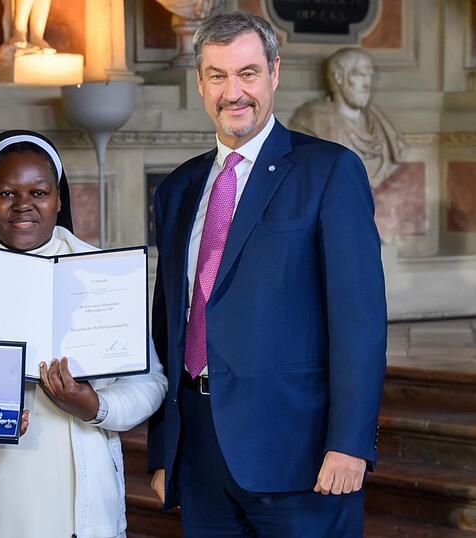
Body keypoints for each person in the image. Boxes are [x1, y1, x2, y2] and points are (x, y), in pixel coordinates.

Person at [147, 12, 387, 536]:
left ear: (274, 73)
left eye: (248, 73)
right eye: (218, 75)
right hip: (202, 453)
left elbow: (359, 324)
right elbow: (168, 327)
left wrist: (348, 442)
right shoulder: (179, 189)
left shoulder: (328, 171)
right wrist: (166, 450)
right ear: (200, 82)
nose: (234, 92)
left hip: (300, 457)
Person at [0, 130, 167, 538]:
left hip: (73, 486)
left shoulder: (103, 273)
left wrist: (94, 404)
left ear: (59, 199)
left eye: (39, 192)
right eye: (8, 193)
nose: (23, 205)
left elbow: (150, 383)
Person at [289, 47, 404, 189]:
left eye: (370, 76)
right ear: (338, 77)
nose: (367, 84)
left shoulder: (381, 121)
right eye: (360, 75)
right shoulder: (311, 119)